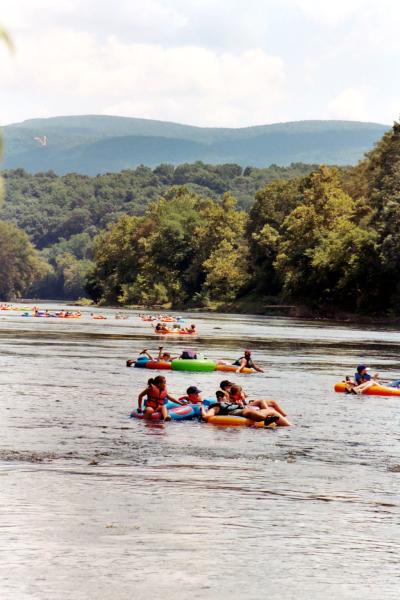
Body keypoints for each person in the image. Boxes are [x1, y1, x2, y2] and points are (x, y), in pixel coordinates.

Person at [200, 395, 287, 427]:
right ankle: (265, 419)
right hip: (237, 413)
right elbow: (206, 417)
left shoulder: (230, 402)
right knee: (251, 413)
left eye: (222, 396)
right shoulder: (215, 407)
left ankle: (268, 419)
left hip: (241, 410)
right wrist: (202, 409)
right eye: (219, 396)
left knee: (270, 409)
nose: (220, 397)